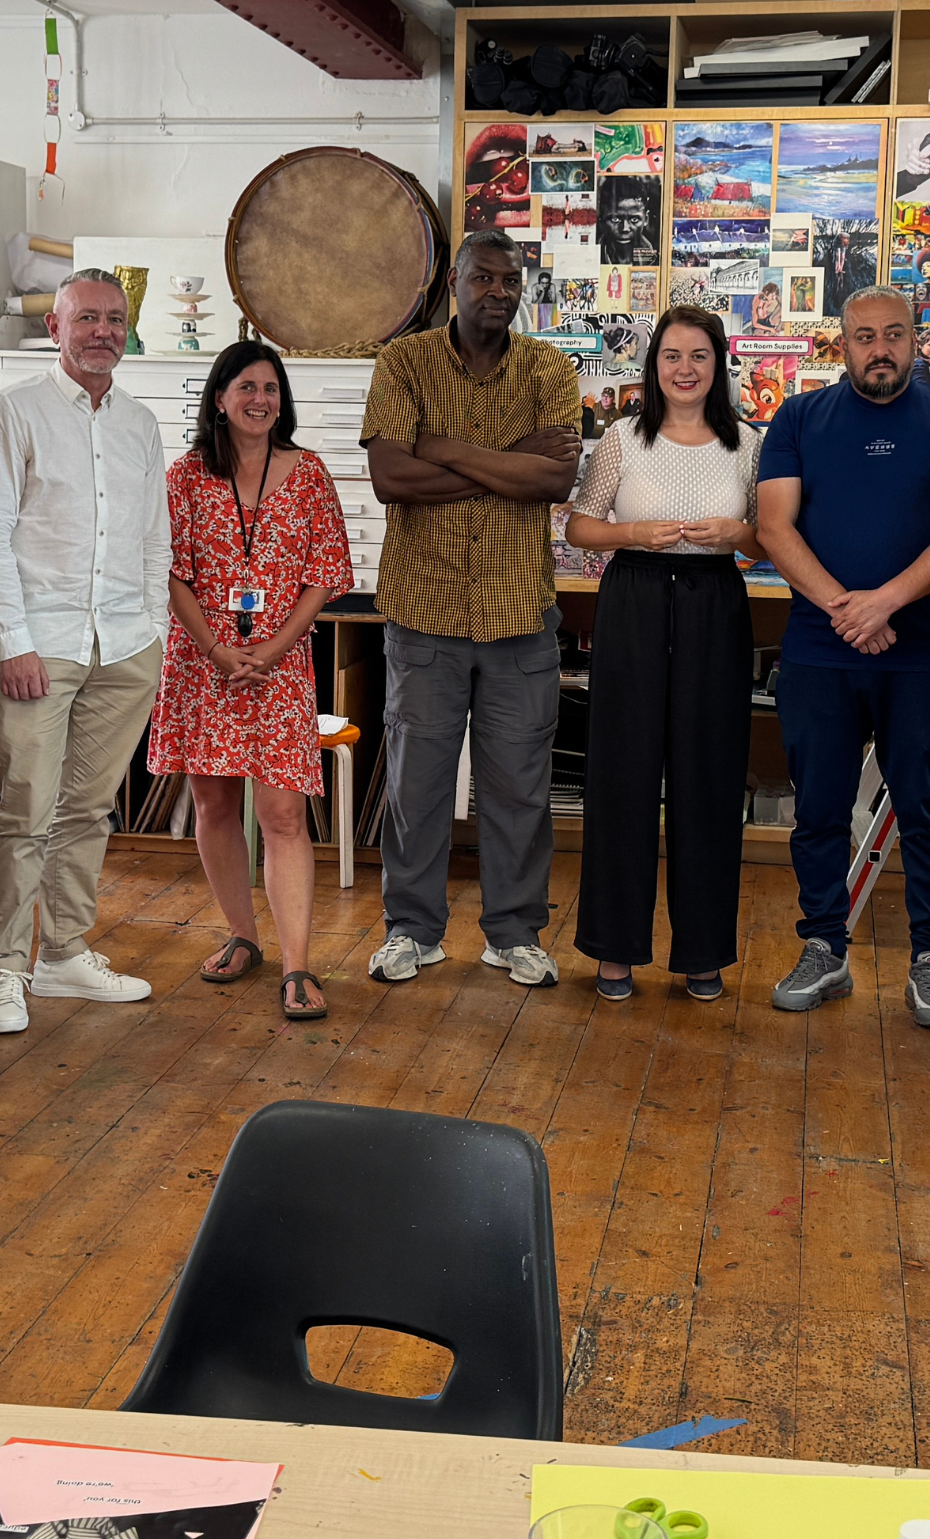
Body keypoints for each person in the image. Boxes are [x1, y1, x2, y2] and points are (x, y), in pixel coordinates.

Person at [756, 287, 930, 1022]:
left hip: (918, 651)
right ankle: (825, 947)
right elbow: (773, 527)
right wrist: (846, 608)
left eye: (894, 335)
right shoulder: (799, 416)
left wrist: (884, 602)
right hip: (820, 651)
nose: (880, 349)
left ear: (918, 341)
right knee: (820, 810)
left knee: (925, 810)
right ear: (843, 343)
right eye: (864, 336)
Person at [359, 228, 581, 987]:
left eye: (511, 280)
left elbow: (554, 481)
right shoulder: (405, 361)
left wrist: (444, 448)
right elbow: (391, 476)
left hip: (520, 615)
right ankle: (411, 931)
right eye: (484, 278)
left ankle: (513, 933)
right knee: (416, 784)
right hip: (424, 612)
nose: (499, 292)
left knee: (519, 786)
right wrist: (505, 462)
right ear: (454, 282)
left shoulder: (549, 366)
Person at [0, 270, 171, 1034]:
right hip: (39, 646)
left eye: (115, 320)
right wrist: (11, 640)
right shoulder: (14, 413)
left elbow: (155, 535)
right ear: (55, 328)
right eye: (87, 318)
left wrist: (151, 626)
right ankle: (6, 970)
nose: (103, 332)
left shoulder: (140, 424)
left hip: (123, 644)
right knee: (25, 812)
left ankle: (63, 952)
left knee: (87, 807)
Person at [148, 340, 354, 1020]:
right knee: (212, 804)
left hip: (279, 664)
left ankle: (297, 966)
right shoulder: (183, 476)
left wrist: (271, 647)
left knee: (283, 814)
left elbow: (324, 574)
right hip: (203, 662)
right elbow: (169, 571)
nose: (260, 399)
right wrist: (216, 647)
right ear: (219, 398)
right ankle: (242, 935)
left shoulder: (310, 472)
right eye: (246, 387)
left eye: (271, 387)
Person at [566, 306, 762, 1001]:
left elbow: (768, 539)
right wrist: (635, 533)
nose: (685, 368)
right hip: (636, 599)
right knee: (622, 771)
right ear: (653, 366)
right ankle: (613, 948)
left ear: (718, 366)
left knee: (707, 775)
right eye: (672, 355)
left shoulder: (747, 443)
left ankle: (702, 950)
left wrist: (739, 531)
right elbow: (582, 524)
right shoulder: (623, 438)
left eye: (699, 356)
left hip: (715, 601)